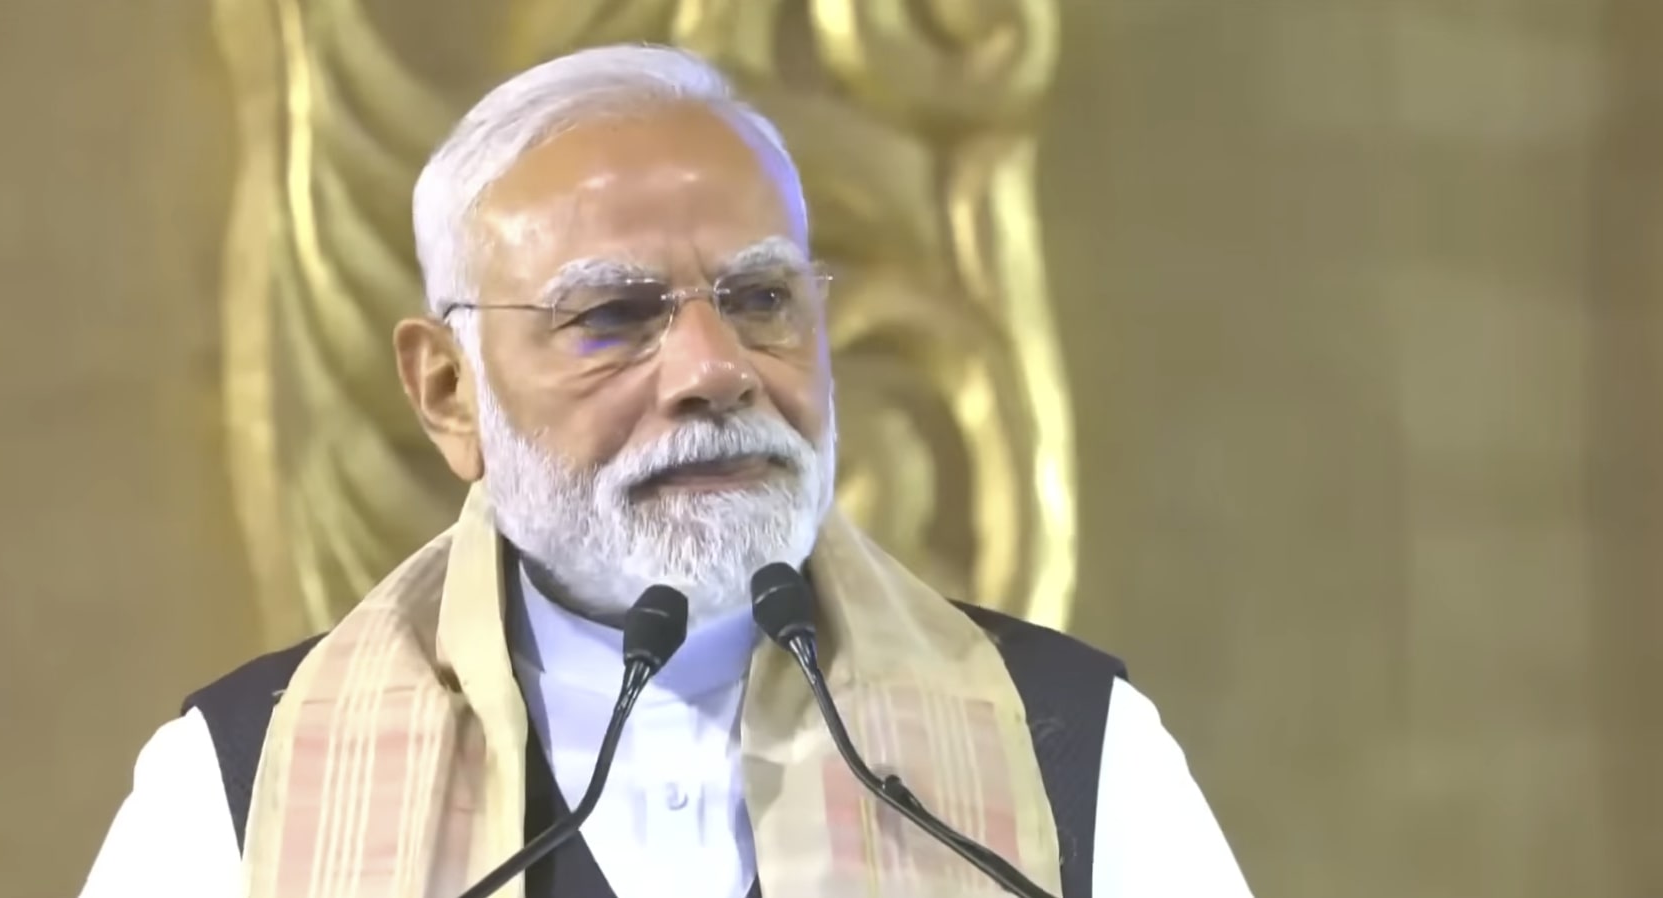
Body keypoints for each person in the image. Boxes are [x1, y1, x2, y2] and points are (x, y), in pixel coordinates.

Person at [78, 44, 1251, 898]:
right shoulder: (238, 789)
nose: (713, 368)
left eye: (758, 298)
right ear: (447, 390)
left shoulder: (1069, 750)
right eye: (611, 317)